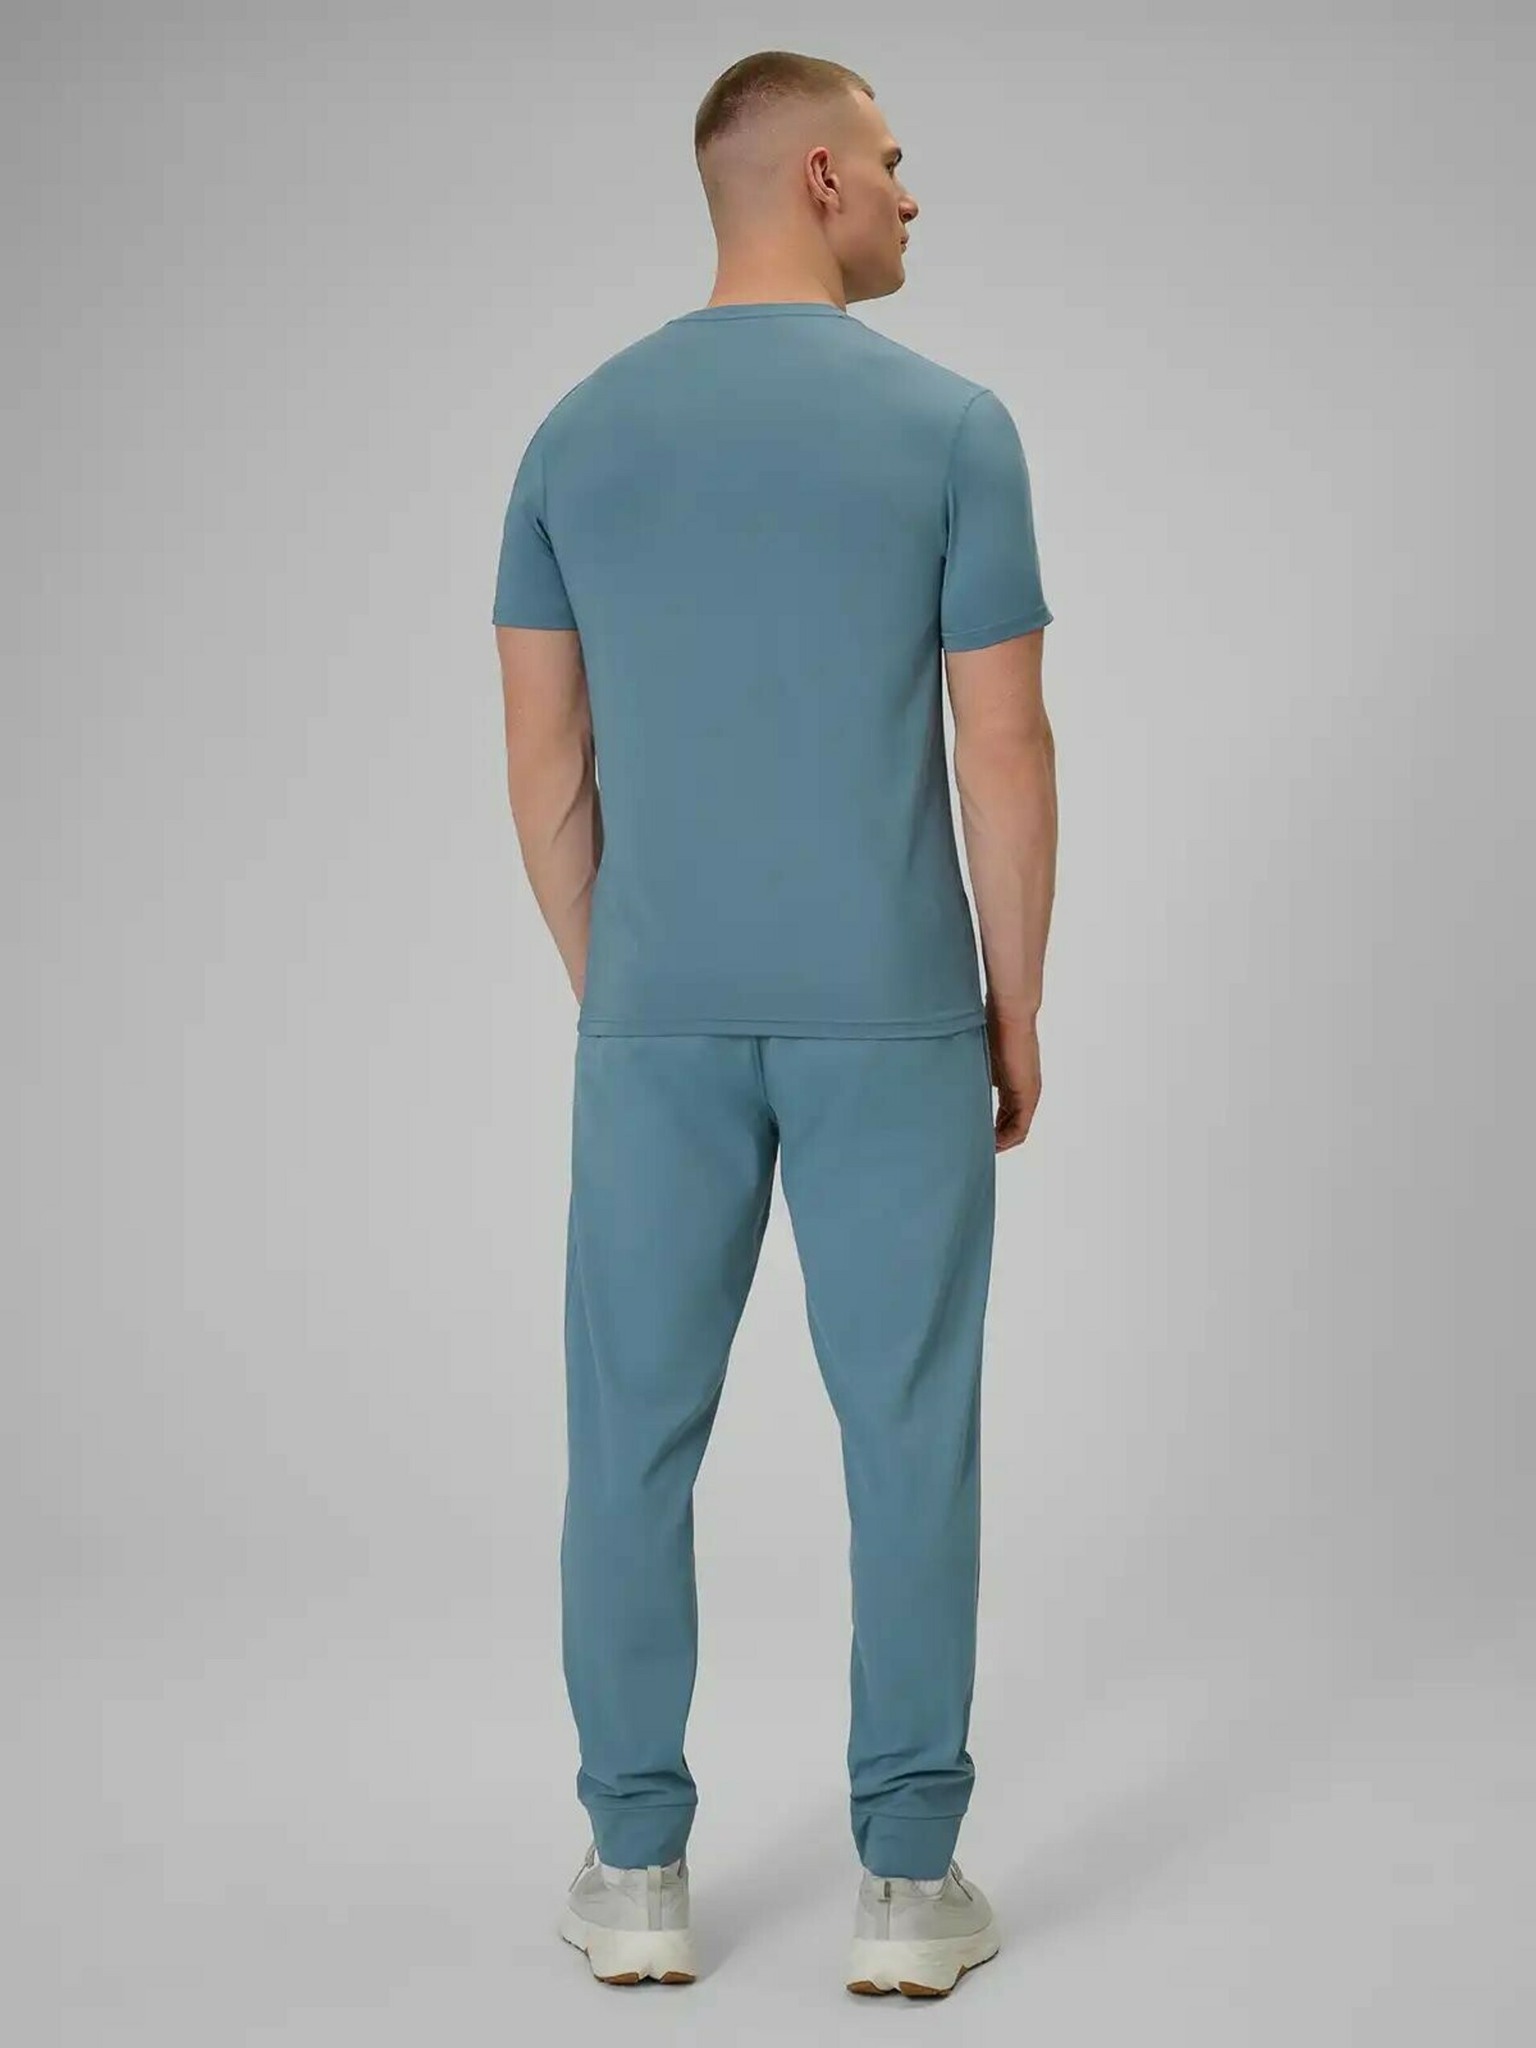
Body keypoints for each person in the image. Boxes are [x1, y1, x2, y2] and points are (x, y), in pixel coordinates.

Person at [492, 48, 1058, 1999]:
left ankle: (634, 1866)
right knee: (910, 1435)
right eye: (892, 159)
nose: (912, 192)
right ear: (817, 176)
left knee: (629, 1437)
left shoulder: (574, 437)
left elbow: (545, 768)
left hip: (658, 1016)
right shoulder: (954, 429)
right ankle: (907, 1886)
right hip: (893, 1015)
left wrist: (628, 982)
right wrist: (1011, 1004)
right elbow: (1004, 746)